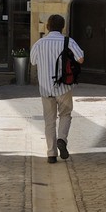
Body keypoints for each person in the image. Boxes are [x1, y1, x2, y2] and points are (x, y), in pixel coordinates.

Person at [30, 14, 83, 164]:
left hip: (45, 88)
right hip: (64, 86)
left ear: (48, 26)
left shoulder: (39, 43)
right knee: (65, 114)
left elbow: (33, 61)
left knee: (49, 121)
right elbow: (80, 58)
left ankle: (51, 154)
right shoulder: (68, 41)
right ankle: (62, 139)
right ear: (62, 27)